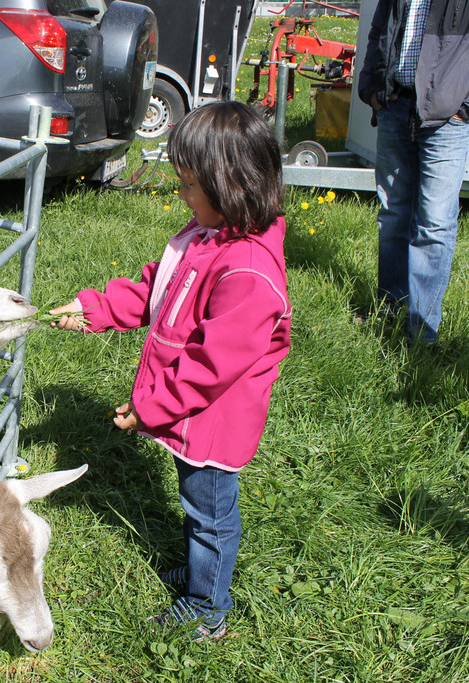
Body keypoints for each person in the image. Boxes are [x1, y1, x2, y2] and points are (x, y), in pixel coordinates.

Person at [50, 101, 291, 640]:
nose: (180, 195)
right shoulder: (208, 238)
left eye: (187, 185)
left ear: (228, 185)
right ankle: (206, 567)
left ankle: (209, 606)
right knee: (198, 504)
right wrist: (95, 309)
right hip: (190, 416)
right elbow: (155, 290)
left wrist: (149, 407)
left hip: (211, 422)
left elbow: (210, 366)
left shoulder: (247, 272)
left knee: (209, 513)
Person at [356, 0, 469, 343]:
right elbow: (379, 30)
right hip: (394, 105)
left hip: (447, 118)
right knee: (392, 214)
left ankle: (421, 333)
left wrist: (468, 106)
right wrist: (372, 89)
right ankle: (390, 310)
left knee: (434, 223)